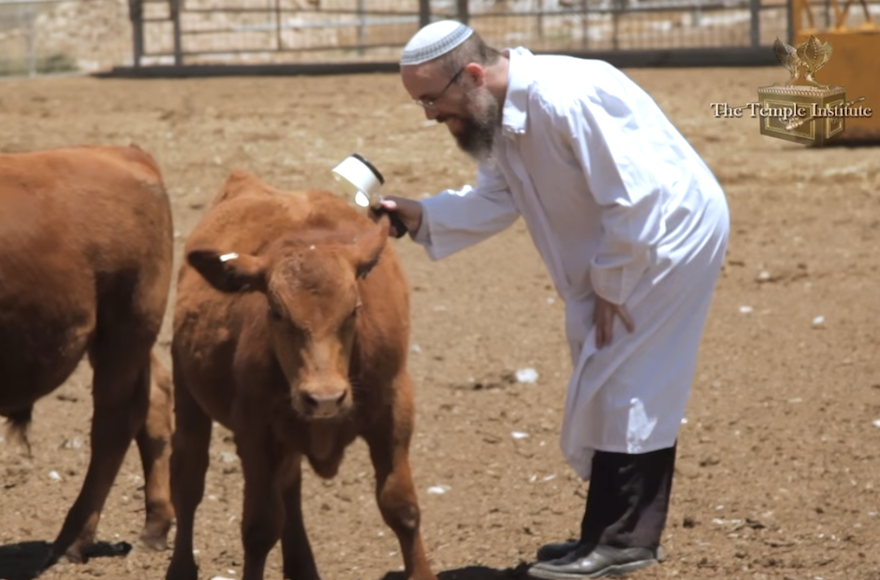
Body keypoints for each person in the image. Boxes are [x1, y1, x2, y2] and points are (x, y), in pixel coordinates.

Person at [368, 19, 730, 579]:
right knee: (610, 374)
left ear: (471, 74)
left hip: (665, 236)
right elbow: (497, 195)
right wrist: (423, 214)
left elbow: (636, 197)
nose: (430, 115)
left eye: (432, 100)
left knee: (627, 379)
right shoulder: (502, 113)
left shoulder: (567, 98)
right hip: (626, 245)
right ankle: (604, 534)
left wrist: (612, 284)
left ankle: (624, 540)